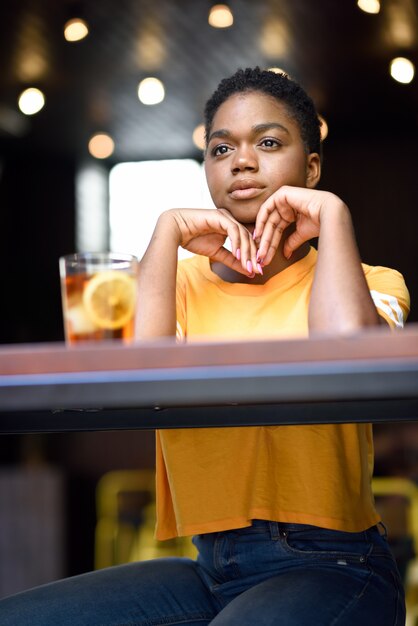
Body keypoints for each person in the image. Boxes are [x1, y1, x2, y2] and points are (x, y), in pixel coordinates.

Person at [0, 67, 410, 625]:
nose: (241, 161)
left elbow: (347, 350)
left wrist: (332, 214)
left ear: (311, 166)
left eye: (268, 142)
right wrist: (166, 231)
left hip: (337, 563)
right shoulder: (176, 284)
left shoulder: (373, 282)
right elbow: (129, 381)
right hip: (209, 567)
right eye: (222, 148)